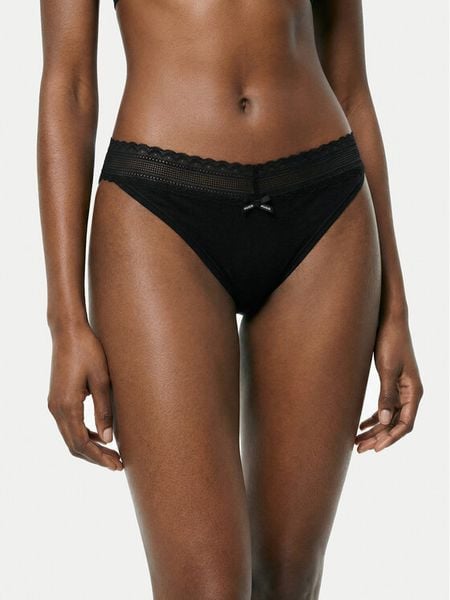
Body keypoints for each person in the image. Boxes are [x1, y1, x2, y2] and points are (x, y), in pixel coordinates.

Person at [37, 0, 423, 597]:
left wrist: (395, 308)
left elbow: (351, 86)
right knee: (205, 587)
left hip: (324, 207)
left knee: (289, 581)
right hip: (159, 209)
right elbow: (70, 87)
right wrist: (65, 320)